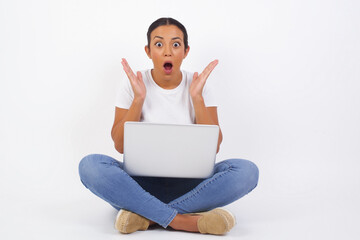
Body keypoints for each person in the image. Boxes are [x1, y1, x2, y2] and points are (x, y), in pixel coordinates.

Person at [79, 17, 259, 235]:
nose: (167, 52)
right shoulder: (132, 84)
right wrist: (138, 99)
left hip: (192, 186)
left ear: (185, 51)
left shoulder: (199, 85)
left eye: (175, 44)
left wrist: (197, 98)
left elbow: (215, 146)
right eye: (158, 44)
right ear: (148, 51)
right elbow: (119, 145)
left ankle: (146, 217)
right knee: (90, 165)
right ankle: (184, 221)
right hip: (140, 186)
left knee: (247, 171)